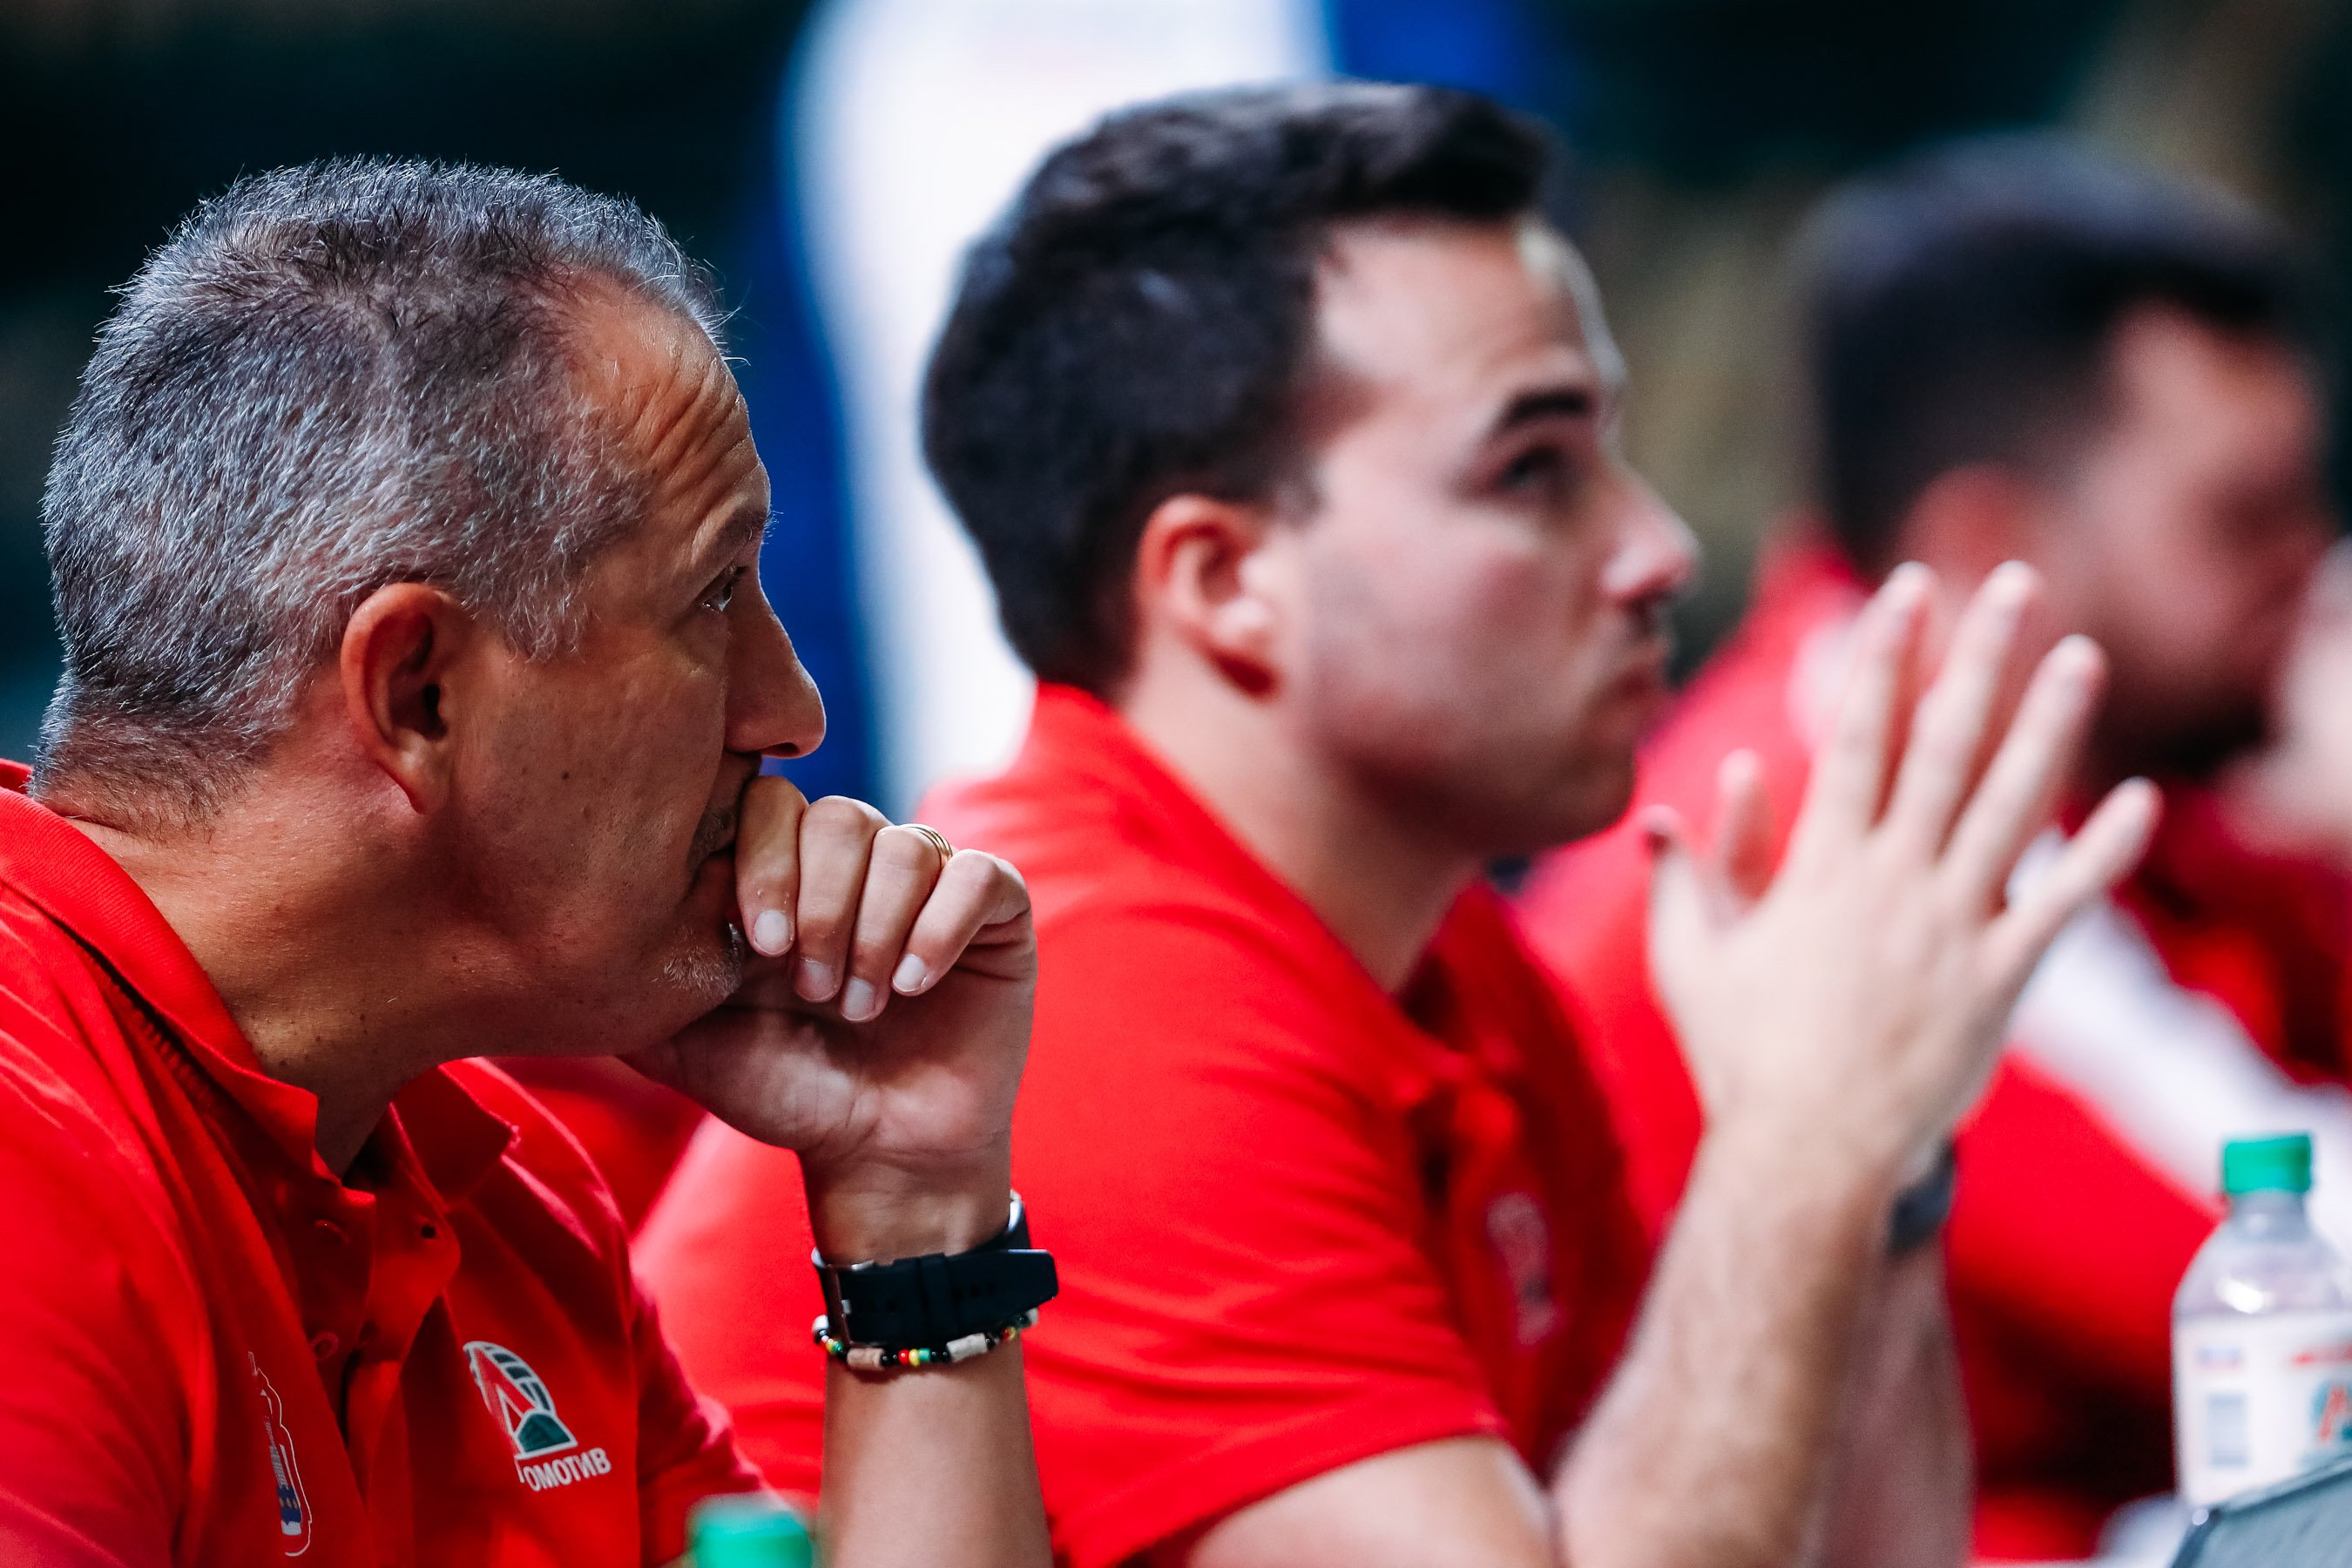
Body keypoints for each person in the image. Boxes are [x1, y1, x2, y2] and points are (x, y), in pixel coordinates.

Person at [640, 84, 2156, 1568]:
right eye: (1534, 470)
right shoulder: (1094, 994)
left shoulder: (1445, 959)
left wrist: (1878, 1163)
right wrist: (1799, 1151)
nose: (1656, 548)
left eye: (1611, 456)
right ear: (1225, 582)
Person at [0, 159, 1051, 1568]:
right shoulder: (27, 1158)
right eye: (713, 597)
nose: (792, 712)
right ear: (420, 691)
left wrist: (914, 1213)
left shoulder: (500, 1192)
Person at [1515, 140, 2341, 1558]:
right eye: (2243, 519)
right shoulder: (1847, 835)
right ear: (1986, 544)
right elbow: (2298, 1280)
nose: (2313, 570)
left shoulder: (2140, 768)